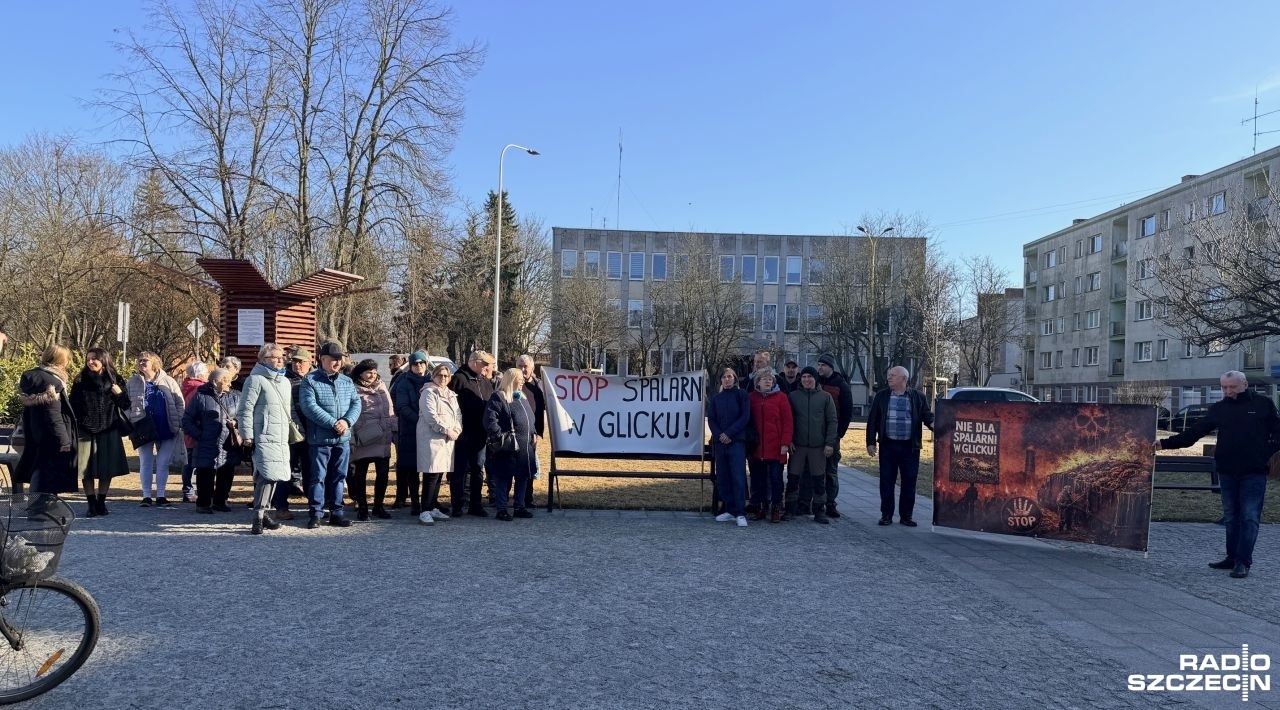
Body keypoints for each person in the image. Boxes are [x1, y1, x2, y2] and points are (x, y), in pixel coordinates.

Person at [1157, 370, 1280, 579]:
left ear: (1244, 384)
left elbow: (1278, 433)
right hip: (1227, 470)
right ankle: (1231, 558)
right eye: (1224, 387)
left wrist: (1264, 454)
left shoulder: (1263, 404)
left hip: (1254, 471)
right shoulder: (1219, 408)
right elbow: (1193, 434)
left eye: (1232, 387)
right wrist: (1163, 443)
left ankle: (1243, 562)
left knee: (1249, 517)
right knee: (1231, 517)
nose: (1228, 391)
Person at [298, 341, 362, 528]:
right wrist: (333, 423)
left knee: (339, 476)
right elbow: (309, 406)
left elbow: (356, 404)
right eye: (333, 359)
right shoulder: (310, 380)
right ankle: (316, 513)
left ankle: (337, 513)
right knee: (317, 477)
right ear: (322, 359)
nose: (337, 363)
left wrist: (346, 422)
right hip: (320, 439)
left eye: (339, 359)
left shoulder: (347, 381)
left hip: (342, 439)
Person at [866, 365, 935, 527]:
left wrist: (935, 424)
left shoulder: (918, 397)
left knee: (909, 482)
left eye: (893, 375)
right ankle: (886, 515)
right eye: (889, 375)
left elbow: (927, 416)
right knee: (886, 481)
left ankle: (906, 516)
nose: (889, 378)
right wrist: (870, 442)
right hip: (888, 446)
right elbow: (873, 420)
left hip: (910, 448)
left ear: (904, 379)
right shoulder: (881, 396)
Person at [69, 347, 131, 517]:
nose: (90, 362)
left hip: (108, 428)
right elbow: (72, 405)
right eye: (88, 359)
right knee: (85, 469)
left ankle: (101, 502)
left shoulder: (115, 379)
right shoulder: (80, 380)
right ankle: (91, 503)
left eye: (94, 359)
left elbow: (126, 405)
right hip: (85, 430)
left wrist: (119, 394)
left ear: (103, 360)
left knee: (107, 468)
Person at [237, 344, 291, 535]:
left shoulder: (284, 382)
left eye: (281, 357)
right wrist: (247, 435)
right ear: (262, 359)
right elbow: (245, 409)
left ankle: (265, 512)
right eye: (274, 357)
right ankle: (258, 517)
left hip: (281, 437)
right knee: (266, 476)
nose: (279, 360)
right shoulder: (255, 380)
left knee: (275, 476)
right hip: (263, 436)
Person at [15, 345, 78, 499]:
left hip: (34, 432)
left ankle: (38, 506)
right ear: (60, 360)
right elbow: (53, 415)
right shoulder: (52, 381)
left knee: (38, 468)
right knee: (46, 474)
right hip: (50, 436)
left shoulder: (31, 376)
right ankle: (39, 509)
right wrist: (64, 440)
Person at [127, 351, 185, 507]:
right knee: (145, 461)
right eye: (139, 360)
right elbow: (125, 404)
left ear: (154, 362)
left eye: (145, 360)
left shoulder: (168, 381)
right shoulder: (133, 382)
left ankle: (161, 495)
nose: (141, 362)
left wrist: (178, 420)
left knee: (163, 462)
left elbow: (180, 403)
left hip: (166, 425)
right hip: (142, 426)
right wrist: (130, 419)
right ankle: (146, 496)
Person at [182, 368, 242, 514]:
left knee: (226, 472)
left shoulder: (237, 397)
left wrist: (236, 422)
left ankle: (220, 501)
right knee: (205, 473)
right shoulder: (200, 396)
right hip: (207, 442)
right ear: (215, 382)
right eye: (226, 380)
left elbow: (243, 415)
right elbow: (187, 419)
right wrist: (199, 435)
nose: (229, 384)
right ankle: (203, 503)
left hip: (228, 442)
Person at [483, 368, 536, 521]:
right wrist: (499, 436)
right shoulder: (499, 397)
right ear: (512, 379)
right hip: (508, 446)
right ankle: (502, 509)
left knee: (522, 477)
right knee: (503, 478)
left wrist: (533, 432)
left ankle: (519, 506)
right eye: (520, 379)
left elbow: (529, 419)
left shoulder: (522, 397)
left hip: (525, 447)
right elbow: (490, 420)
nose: (523, 381)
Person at [786, 366, 836, 523]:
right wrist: (789, 441)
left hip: (818, 447)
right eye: (804, 377)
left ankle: (819, 510)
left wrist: (829, 443)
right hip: (798, 446)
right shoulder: (793, 396)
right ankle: (790, 508)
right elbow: (787, 421)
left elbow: (832, 421)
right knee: (793, 478)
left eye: (810, 377)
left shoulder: (825, 397)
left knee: (818, 480)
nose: (807, 380)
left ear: (816, 379)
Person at [449, 350, 496, 517]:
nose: (488, 368)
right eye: (485, 364)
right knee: (459, 471)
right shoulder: (459, 379)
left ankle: (476, 504)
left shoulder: (484, 381)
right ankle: (457, 505)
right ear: (475, 362)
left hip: (480, 434)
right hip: (463, 434)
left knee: (478, 469)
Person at [349, 359, 397, 521]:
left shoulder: (382, 386)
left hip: (383, 436)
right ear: (360, 372)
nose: (372, 375)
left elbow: (390, 409)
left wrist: (393, 427)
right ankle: (362, 507)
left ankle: (378, 506)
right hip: (364, 436)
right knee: (360, 475)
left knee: (383, 474)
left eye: (375, 371)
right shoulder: (353, 389)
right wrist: (353, 436)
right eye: (369, 371)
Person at [416, 363, 461, 525]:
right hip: (432, 438)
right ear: (433, 376)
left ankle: (433, 506)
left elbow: (458, 415)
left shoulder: (450, 394)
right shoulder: (428, 392)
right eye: (440, 375)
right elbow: (431, 416)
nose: (443, 378)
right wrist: (447, 430)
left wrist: (457, 429)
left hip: (448, 440)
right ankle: (425, 510)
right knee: (431, 474)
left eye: (446, 376)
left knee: (439, 474)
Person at [273, 347, 313, 519]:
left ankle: (314, 505)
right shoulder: (284, 379)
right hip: (291, 432)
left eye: (301, 361)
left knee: (311, 471)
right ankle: (281, 506)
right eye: (295, 361)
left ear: (309, 363)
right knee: (285, 471)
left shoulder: (315, 379)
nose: (297, 364)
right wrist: (297, 428)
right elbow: (285, 407)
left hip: (312, 433)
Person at [748, 368, 793, 523]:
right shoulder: (752, 398)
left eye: (770, 379)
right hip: (757, 447)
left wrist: (785, 443)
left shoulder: (781, 398)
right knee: (758, 479)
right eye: (764, 379)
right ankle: (761, 507)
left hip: (776, 446)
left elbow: (788, 422)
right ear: (757, 382)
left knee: (776, 479)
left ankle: (775, 507)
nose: (768, 381)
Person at [708, 367, 751, 527]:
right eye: (724, 377)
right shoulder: (716, 398)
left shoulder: (741, 395)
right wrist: (720, 434)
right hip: (720, 443)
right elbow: (711, 419)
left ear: (734, 379)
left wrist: (729, 434)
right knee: (723, 478)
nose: (727, 379)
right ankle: (730, 509)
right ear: (721, 380)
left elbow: (745, 417)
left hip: (736, 442)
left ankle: (740, 512)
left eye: (730, 377)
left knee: (738, 477)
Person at [390, 351, 431, 512]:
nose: (419, 366)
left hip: (429, 430)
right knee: (410, 467)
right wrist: (421, 420)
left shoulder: (431, 379)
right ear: (411, 365)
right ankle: (414, 501)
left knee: (430, 467)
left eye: (422, 363)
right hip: (409, 429)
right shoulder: (403, 381)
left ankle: (429, 500)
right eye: (415, 364)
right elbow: (401, 406)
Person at [816, 354, 854, 518]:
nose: (820, 368)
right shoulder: (815, 381)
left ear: (830, 366)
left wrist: (838, 434)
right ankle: (816, 501)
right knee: (816, 470)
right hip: (815, 434)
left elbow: (847, 412)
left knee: (831, 471)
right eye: (818, 365)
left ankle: (831, 502)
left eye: (822, 365)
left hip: (832, 434)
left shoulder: (841, 385)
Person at [517, 354, 546, 507]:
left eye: (525, 366)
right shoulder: (514, 385)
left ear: (532, 368)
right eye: (520, 366)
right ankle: (510, 499)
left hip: (533, 434)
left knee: (529, 466)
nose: (522, 369)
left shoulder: (540, 385)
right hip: (516, 433)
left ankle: (528, 498)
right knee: (515, 467)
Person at [179, 361, 210, 503]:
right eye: (206, 372)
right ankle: (189, 491)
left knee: (188, 461)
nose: (207, 375)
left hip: (187, 428)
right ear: (201, 373)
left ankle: (187, 490)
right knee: (193, 462)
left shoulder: (185, 386)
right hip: (196, 428)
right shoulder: (200, 388)